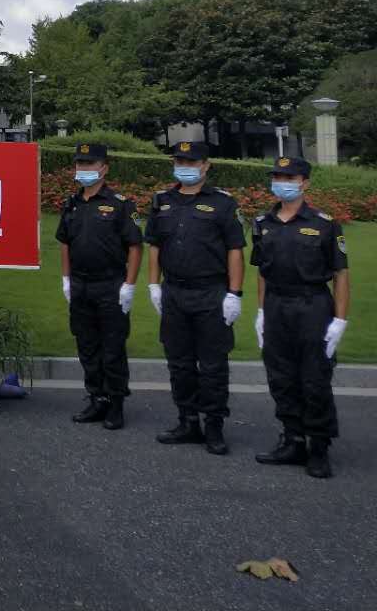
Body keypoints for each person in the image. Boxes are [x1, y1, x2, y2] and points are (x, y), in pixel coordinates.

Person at [251, 156, 351, 478]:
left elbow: (340, 274)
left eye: (289, 178)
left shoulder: (324, 223)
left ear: (304, 183)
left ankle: (318, 447)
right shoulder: (262, 222)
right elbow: (262, 271)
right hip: (276, 305)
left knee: (314, 378)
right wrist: (261, 312)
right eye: (278, 177)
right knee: (281, 377)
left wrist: (340, 320)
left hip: (312, 306)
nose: (282, 183)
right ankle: (293, 440)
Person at [145, 140, 246, 455]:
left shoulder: (223, 203)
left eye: (191, 162)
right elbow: (155, 246)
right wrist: (153, 285)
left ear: (205, 166)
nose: (184, 167)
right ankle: (188, 421)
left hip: (210, 293)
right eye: (180, 161)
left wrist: (234, 293)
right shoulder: (162, 200)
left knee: (213, 364)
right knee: (179, 362)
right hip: (174, 291)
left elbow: (235, 250)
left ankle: (213, 425)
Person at [56, 143, 143, 430]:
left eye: (89, 164)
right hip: (80, 285)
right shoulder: (72, 203)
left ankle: (116, 403)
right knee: (87, 345)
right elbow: (64, 243)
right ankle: (97, 398)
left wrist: (129, 285)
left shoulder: (120, 204)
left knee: (112, 347)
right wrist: (66, 278)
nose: (82, 170)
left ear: (103, 168)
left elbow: (135, 246)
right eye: (79, 164)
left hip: (110, 285)